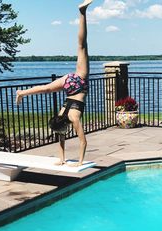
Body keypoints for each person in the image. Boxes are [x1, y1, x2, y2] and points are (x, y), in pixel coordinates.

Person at [16, 0, 93, 167]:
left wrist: (77, 162)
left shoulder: (71, 117)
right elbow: (72, 139)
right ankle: (21, 92)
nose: (62, 134)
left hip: (79, 81)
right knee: (46, 88)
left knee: (82, 46)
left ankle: (82, 12)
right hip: (70, 82)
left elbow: (83, 142)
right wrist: (64, 160)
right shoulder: (61, 116)